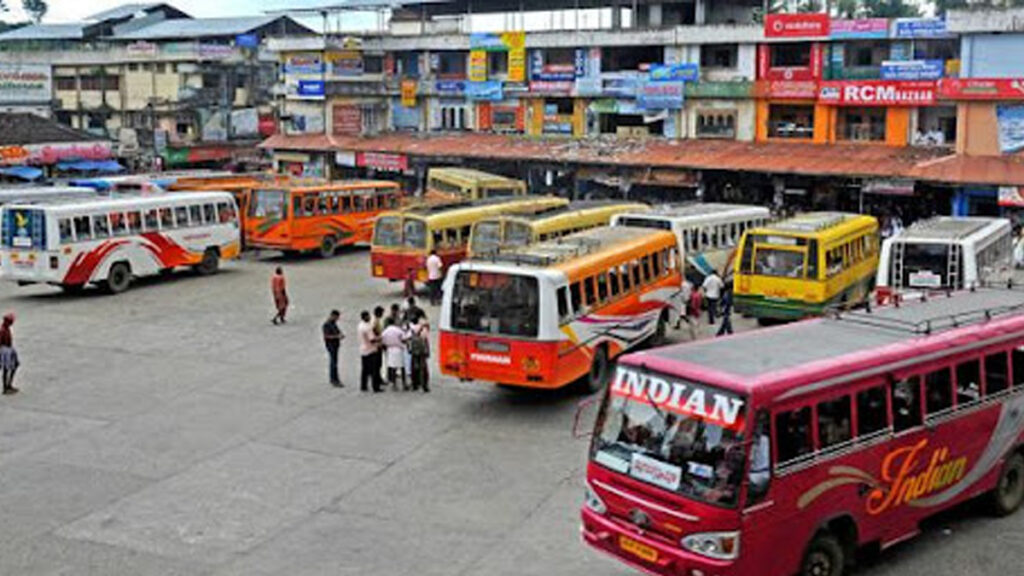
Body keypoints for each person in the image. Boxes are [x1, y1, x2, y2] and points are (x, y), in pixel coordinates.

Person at [358, 310, 382, 393]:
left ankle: (363, 385)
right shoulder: (367, 328)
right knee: (374, 369)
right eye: (368, 316)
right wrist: (379, 338)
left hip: (363, 349)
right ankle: (375, 387)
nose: (369, 317)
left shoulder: (360, 325)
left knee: (364, 369)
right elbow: (372, 340)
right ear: (365, 317)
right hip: (371, 350)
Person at [381, 319, 408, 391]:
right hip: (399, 349)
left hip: (390, 350)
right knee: (402, 367)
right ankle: (404, 383)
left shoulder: (385, 332)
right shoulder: (398, 330)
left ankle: (394, 384)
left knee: (392, 367)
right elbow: (404, 338)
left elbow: (383, 341)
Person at [408, 311, 431, 392]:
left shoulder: (411, 328)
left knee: (414, 366)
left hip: (414, 350)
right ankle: (424, 385)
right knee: (423, 367)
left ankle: (415, 384)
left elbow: (408, 338)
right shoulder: (423, 328)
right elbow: (425, 338)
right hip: (422, 350)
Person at [322, 310, 344, 387]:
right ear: (333, 316)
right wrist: (337, 336)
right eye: (337, 317)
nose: (338, 319)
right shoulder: (326, 324)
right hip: (331, 345)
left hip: (335, 345)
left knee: (335, 362)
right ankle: (334, 380)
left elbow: (337, 331)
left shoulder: (333, 323)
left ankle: (335, 378)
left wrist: (340, 334)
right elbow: (327, 336)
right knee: (333, 363)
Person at [0, 313, 18, 395]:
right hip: (5, 350)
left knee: (14, 365)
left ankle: (9, 384)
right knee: (6, 369)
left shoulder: (7, 328)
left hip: (9, 349)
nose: (11, 323)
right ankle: (5, 387)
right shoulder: (2, 330)